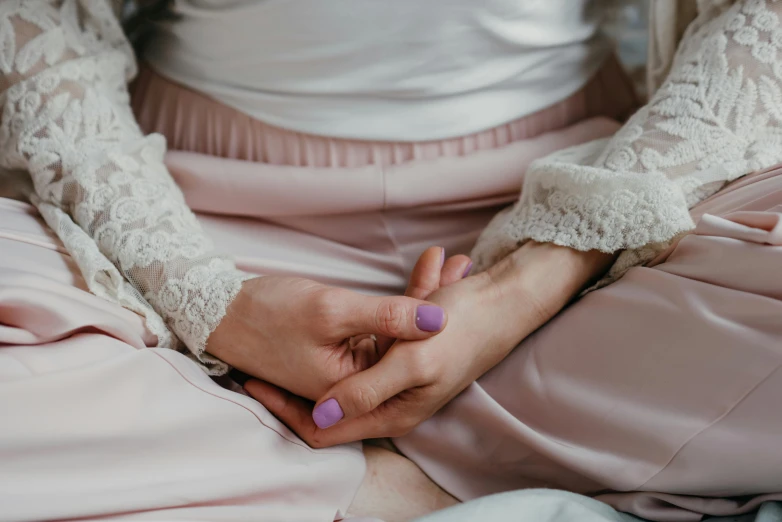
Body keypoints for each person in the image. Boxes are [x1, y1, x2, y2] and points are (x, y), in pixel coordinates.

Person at [3, 1, 782, 521]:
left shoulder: (572, 233)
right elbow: (44, 32)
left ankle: (377, 476)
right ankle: (501, 447)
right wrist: (213, 304)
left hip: (584, 189)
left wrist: (529, 281)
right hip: (202, 202)